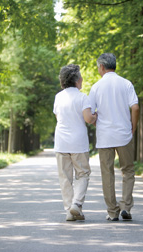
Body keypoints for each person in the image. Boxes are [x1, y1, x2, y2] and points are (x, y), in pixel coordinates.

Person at [88, 53, 140, 221]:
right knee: (128, 170)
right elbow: (136, 108)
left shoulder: (96, 87)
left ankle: (112, 211)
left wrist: (98, 123)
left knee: (107, 173)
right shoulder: (126, 84)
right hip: (124, 134)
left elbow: (90, 115)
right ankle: (126, 207)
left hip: (105, 136)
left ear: (101, 67)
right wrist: (133, 127)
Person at [53, 64, 97, 221]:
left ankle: (68, 211)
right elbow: (88, 119)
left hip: (61, 142)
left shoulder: (58, 97)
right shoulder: (82, 97)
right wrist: (96, 115)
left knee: (65, 177)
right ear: (77, 80)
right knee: (83, 174)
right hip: (78, 143)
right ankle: (77, 204)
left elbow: (59, 118)